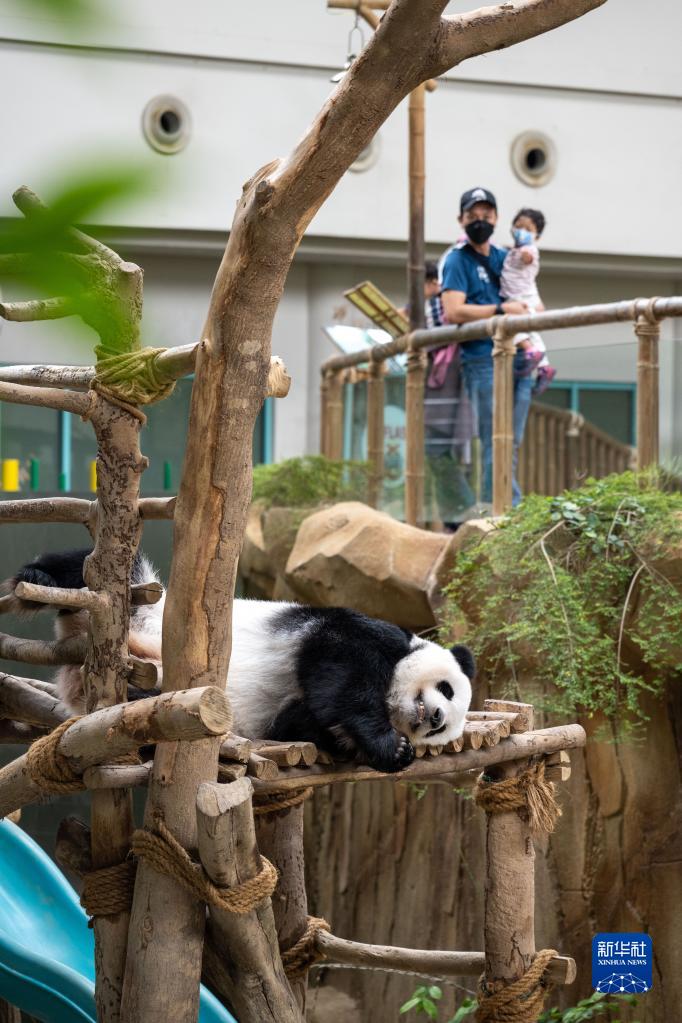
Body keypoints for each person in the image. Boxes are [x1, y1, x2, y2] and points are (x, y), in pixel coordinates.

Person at [440, 187, 533, 507]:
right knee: (495, 436)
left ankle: (501, 505)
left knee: (512, 439)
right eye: (473, 216)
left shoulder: (503, 257)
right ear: (461, 220)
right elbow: (453, 310)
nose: (480, 221)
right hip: (481, 358)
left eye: (486, 215)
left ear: (496, 218)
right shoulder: (457, 259)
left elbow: (527, 292)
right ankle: (502, 509)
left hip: (520, 355)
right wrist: (501, 311)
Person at [500, 207, 557, 396]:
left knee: (511, 325)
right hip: (522, 295)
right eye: (518, 226)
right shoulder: (513, 251)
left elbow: (528, 258)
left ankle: (530, 351)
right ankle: (544, 367)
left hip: (522, 297)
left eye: (528, 229)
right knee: (532, 332)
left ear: (537, 236)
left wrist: (525, 252)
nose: (521, 231)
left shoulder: (529, 250)